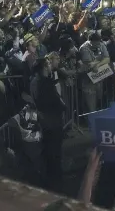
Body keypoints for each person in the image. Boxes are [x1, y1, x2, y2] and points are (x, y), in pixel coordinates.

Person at [30, 52, 66, 191]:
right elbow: (54, 101)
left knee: (48, 150)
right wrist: (63, 106)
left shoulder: (34, 80)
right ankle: (55, 182)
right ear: (45, 67)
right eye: (48, 63)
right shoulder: (45, 82)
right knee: (54, 152)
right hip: (52, 121)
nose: (51, 65)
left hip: (44, 121)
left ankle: (49, 179)